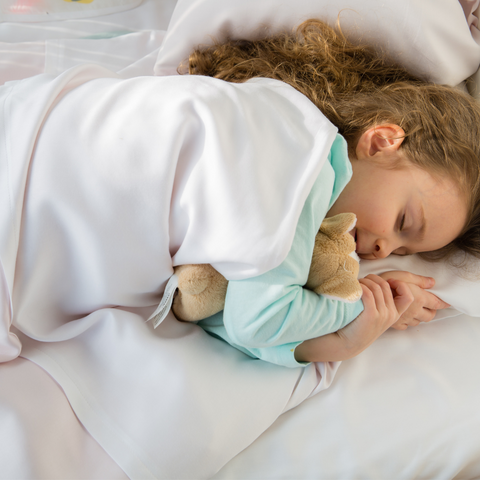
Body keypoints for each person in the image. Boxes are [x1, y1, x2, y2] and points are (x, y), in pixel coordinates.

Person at [187, 19, 480, 367]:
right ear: (381, 142)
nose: (383, 249)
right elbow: (256, 321)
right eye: (404, 221)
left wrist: (343, 340)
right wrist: (363, 305)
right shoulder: (309, 164)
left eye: (402, 251)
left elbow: (211, 311)